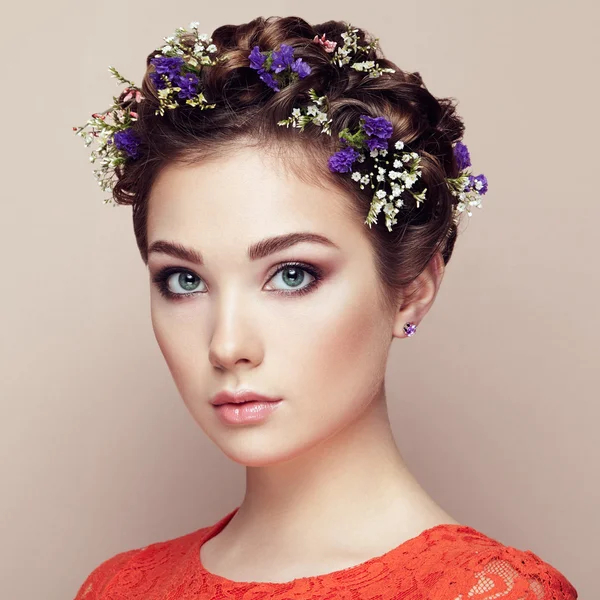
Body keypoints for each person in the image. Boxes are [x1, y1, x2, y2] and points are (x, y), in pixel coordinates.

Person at [72, 15, 578, 600]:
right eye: (184, 280)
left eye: (292, 274)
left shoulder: (488, 593)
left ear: (412, 288)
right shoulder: (117, 587)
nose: (227, 345)